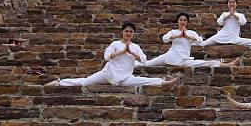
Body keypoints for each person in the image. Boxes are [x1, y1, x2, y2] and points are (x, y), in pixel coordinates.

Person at [45, 22, 177, 87]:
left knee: (141, 80)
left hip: (125, 77)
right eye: (126, 31)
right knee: (86, 82)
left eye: (131, 32)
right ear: (122, 32)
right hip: (108, 73)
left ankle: (163, 82)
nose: (128, 33)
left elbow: (143, 60)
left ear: (133, 33)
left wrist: (131, 53)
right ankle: (59, 83)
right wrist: (120, 52)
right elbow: (106, 57)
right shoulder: (115, 44)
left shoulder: (135, 47)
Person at [144, 12, 239, 68]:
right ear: (178, 21)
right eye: (181, 20)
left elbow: (200, 41)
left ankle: (227, 65)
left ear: (187, 22)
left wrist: (187, 37)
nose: (182, 22)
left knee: (204, 63)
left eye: (184, 20)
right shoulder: (173, 32)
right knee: (147, 64)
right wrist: (178, 36)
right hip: (170, 56)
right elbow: (165, 39)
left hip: (184, 59)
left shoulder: (191, 32)